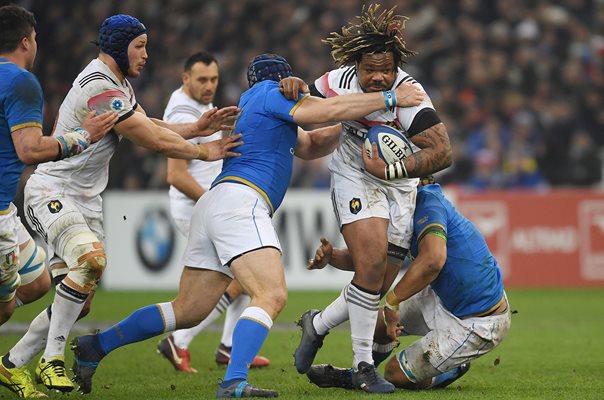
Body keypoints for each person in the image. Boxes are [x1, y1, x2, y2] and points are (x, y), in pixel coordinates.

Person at [67, 53, 425, 398]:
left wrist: (355, 125)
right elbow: (325, 108)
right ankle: (234, 381)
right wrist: (390, 97)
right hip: (242, 202)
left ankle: (96, 345)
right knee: (271, 295)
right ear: (282, 79)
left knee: (187, 310)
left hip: (215, 203)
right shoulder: (269, 94)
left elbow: (313, 141)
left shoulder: (259, 110)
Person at [0, 13, 242, 397]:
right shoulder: (99, 85)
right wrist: (203, 150)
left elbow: (148, 122)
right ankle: (52, 359)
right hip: (53, 191)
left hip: (86, 200)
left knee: (79, 303)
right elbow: (147, 138)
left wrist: (197, 127)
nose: (146, 54)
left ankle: (10, 364)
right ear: (118, 46)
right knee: (90, 261)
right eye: (140, 46)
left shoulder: (118, 85)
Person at [280, 4, 452, 393]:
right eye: (369, 69)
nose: (378, 77)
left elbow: (443, 152)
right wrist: (294, 83)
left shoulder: (410, 94)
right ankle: (362, 366)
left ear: (396, 69)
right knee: (371, 263)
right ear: (354, 66)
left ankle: (317, 324)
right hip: (353, 175)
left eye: (386, 70)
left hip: (400, 183)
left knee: (374, 281)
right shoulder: (337, 80)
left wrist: (392, 170)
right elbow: (307, 106)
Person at [0, 5, 118, 398]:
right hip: (11, 205)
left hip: (8, 212)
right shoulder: (20, 81)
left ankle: (10, 364)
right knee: (6, 307)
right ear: (25, 41)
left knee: (36, 285)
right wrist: (82, 136)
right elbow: (31, 149)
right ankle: (48, 360)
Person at [302, 176, 511, 391]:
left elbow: (433, 260)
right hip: (443, 297)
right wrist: (333, 257)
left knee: (395, 374)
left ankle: (452, 369)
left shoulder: (427, 200)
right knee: (377, 326)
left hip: (478, 320)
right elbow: (375, 260)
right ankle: (362, 373)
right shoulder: (402, 205)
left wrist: (393, 301)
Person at [156, 51, 269, 373]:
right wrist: (215, 204)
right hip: (195, 209)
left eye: (214, 79)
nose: (209, 86)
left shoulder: (202, 108)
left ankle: (228, 347)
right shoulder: (181, 110)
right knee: (240, 276)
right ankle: (179, 342)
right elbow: (175, 175)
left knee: (251, 271)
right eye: (202, 79)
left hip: (207, 209)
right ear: (185, 79)